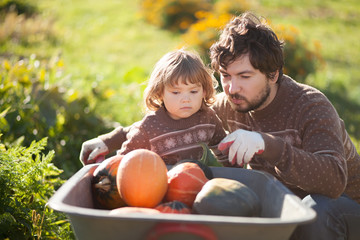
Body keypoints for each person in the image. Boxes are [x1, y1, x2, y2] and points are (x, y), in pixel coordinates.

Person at [80, 12, 360, 239]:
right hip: (282, 208)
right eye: (225, 75)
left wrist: (268, 146)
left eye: (245, 76)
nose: (232, 87)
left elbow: (334, 181)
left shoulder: (310, 106)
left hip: (346, 206)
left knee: (317, 209)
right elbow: (172, 119)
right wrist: (109, 140)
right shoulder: (232, 103)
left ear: (273, 74)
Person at [82, 49, 227, 165]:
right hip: (156, 187)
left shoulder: (208, 118)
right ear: (160, 93)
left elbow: (223, 149)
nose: (186, 99)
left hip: (193, 184)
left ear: (204, 91)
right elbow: (123, 164)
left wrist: (237, 173)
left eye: (193, 91)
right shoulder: (150, 127)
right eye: (176, 92)